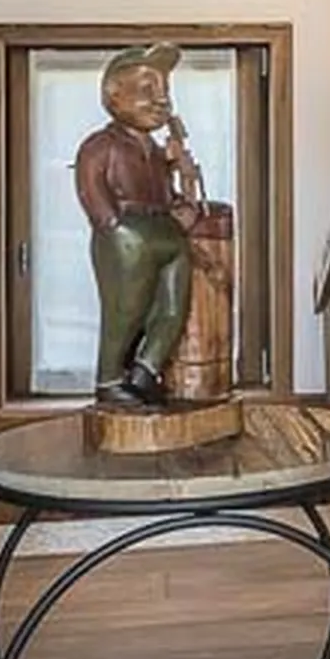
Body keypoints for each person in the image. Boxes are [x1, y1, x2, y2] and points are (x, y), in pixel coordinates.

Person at [74, 44, 206, 405]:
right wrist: (113, 224)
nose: (161, 99)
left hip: (165, 231)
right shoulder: (101, 145)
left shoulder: (158, 152)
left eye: (165, 89)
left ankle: (144, 371)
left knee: (172, 307)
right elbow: (91, 188)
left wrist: (183, 192)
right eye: (148, 88)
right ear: (114, 95)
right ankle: (109, 379)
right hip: (127, 235)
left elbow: (170, 192)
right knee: (125, 311)